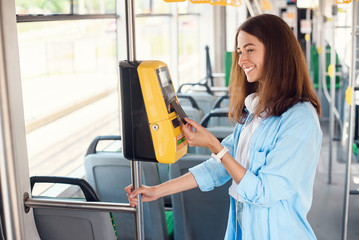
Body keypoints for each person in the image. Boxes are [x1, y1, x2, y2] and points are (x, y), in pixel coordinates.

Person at [125, 13, 322, 240]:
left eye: (250, 50)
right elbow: (217, 168)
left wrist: (214, 145)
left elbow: (264, 192)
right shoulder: (255, 112)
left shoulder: (300, 120)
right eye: (239, 52)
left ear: (277, 52)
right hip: (242, 230)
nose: (241, 61)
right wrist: (157, 191)